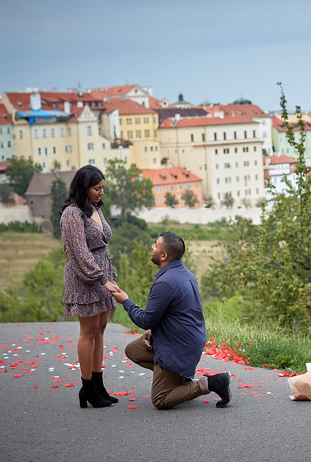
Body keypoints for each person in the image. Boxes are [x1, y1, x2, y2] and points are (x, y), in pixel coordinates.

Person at [109, 231, 231, 410]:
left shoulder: (165, 282)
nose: (152, 247)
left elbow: (144, 320)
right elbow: (176, 313)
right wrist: (155, 327)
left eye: (156, 245)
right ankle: (180, 380)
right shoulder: (184, 273)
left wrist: (125, 301)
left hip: (179, 346)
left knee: (160, 399)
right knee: (134, 350)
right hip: (185, 339)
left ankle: (211, 383)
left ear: (164, 255)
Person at [60, 165, 121, 409]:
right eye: (97, 188)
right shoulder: (72, 214)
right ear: (83, 187)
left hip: (102, 273)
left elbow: (101, 244)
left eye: (102, 188)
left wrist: (109, 276)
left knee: (100, 328)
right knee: (88, 330)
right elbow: (79, 252)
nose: (101, 192)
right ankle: (87, 387)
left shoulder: (94, 208)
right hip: (85, 277)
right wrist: (101, 278)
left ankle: (98, 384)